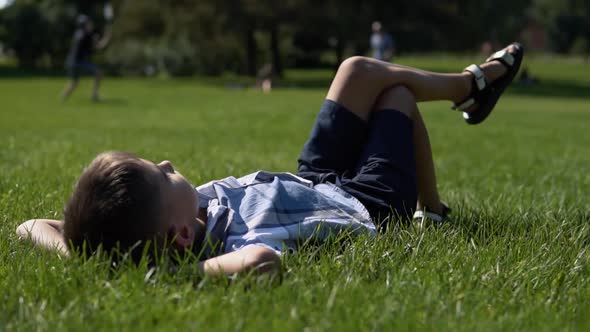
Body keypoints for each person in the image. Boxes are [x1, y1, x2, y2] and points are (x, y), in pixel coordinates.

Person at [17, 43, 524, 277]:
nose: (170, 163)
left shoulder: (175, 217)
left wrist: (100, 262)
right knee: (398, 100)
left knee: (357, 70)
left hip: (314, 177)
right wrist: (172, 276)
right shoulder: (230, 246)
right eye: (163, 174)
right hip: (364, 203)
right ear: (182, 237)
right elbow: (263, 263)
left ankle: (470, 88)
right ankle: (431, 209)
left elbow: (29, 225)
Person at [61, 15, 111, 102]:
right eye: (88, 23)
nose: (91, 24)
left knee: (74, 82)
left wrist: (95, 38)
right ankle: (94, 96)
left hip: (70, 61)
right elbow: (98, 47)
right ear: (84, 25)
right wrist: (107, 37)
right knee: (99, 73)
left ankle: (63, 97)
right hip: (79, 62)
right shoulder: (87, 35)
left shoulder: (78, 33)